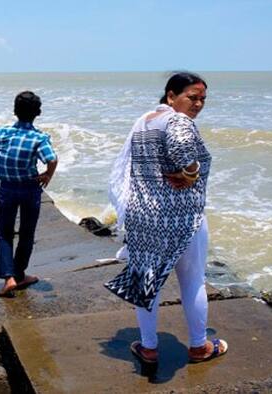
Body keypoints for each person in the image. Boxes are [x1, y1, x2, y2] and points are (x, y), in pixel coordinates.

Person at [105, 72, 228, 366]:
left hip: (145, 216)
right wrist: (190, 172)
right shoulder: (177, 120)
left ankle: (148, 348)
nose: (198, 104)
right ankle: (199, 347)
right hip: (182, 220)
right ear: (171, 96)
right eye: (192, 97)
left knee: (146, 281)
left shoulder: (145, 121)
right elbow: (184, 149)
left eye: (202, 99)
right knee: (193, 280)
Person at [0, 91, 58, 298]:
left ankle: (9, 278)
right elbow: (52, 159)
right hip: (30, 189)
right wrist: (47, 175)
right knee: (27, 233)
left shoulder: (1, 133)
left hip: (7, 189)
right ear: (38, 113)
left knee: (5, 233)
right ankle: (19, 275)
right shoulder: (39, 137)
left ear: (14, 111)